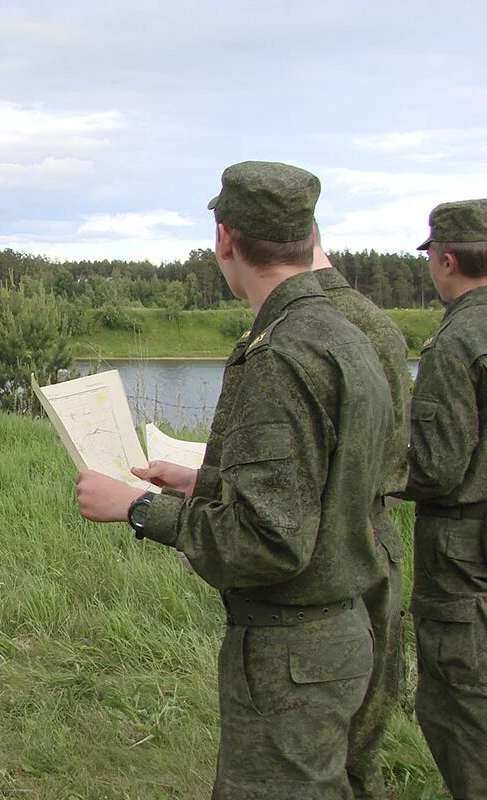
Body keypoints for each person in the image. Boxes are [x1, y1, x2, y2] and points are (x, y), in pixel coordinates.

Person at [76, 161, 393, 797]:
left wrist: (140, 507)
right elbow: (322, 487)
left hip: (292, 655)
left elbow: (270, 542)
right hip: (342, 631)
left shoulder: (281, 354)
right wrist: (209, 480)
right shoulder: (349, 333)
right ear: (308, 236)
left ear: (224, 237)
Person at [311, 226, 410, 799]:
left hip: (326, 548)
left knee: (318, 736)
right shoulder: (381, 324)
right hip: (379, 537)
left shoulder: (298, 328)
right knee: (367, 722)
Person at [399, 199, 487, 799]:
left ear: (446, 259)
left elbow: (434, 467)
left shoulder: (456, 342)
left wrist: (360, 463)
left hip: (465, 562)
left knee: (462, 710)